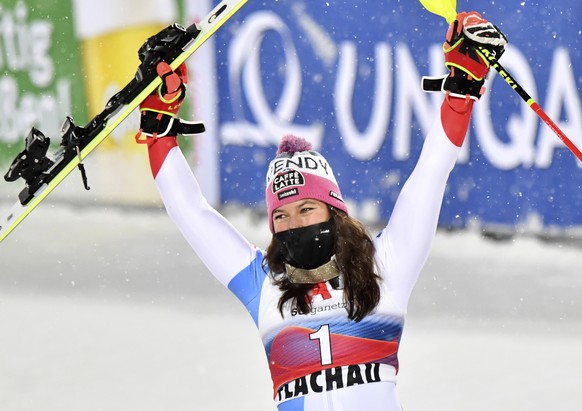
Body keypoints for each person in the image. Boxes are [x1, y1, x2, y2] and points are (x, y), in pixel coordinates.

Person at [136, 11, 507, 411]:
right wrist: (159, 127)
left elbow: (432, 170)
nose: (293, 224)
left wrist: (462, 89)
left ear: (334, 211)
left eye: (306, 209)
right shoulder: (264, 285)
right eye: (282, 216)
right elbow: (189, 210)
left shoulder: (387, 264)